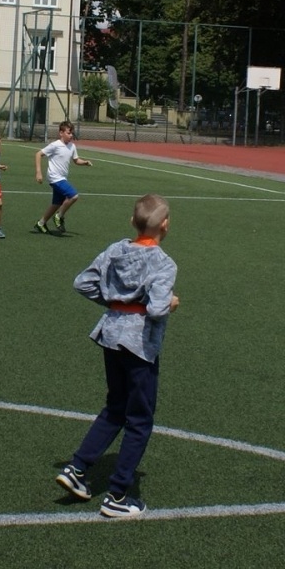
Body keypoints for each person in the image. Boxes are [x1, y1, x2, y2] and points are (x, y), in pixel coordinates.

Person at [53, 193, 180, 519]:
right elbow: (155, 308)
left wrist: (114, 303)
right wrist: (171, 304)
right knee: (139, 419)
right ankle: (118, 495)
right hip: (139, 345)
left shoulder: (116, 249)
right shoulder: (164, 263)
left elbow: (83, 283)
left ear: (132, 222)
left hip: (111, 336)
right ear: (165, 224)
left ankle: (77, 468)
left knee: (115, 407)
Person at [34, 121, 93, 234]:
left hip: (62, 178)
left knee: (56, 203)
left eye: (72, 133)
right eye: (69, 133)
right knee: (73, 195)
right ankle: (59, 216)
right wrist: (38, 172)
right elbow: (38, 154)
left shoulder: (72, 146)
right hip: (54, 178)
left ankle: (41, 223)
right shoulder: (55, 145)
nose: (71, 135)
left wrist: (84, 162)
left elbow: (76, 160)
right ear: (61, 133)